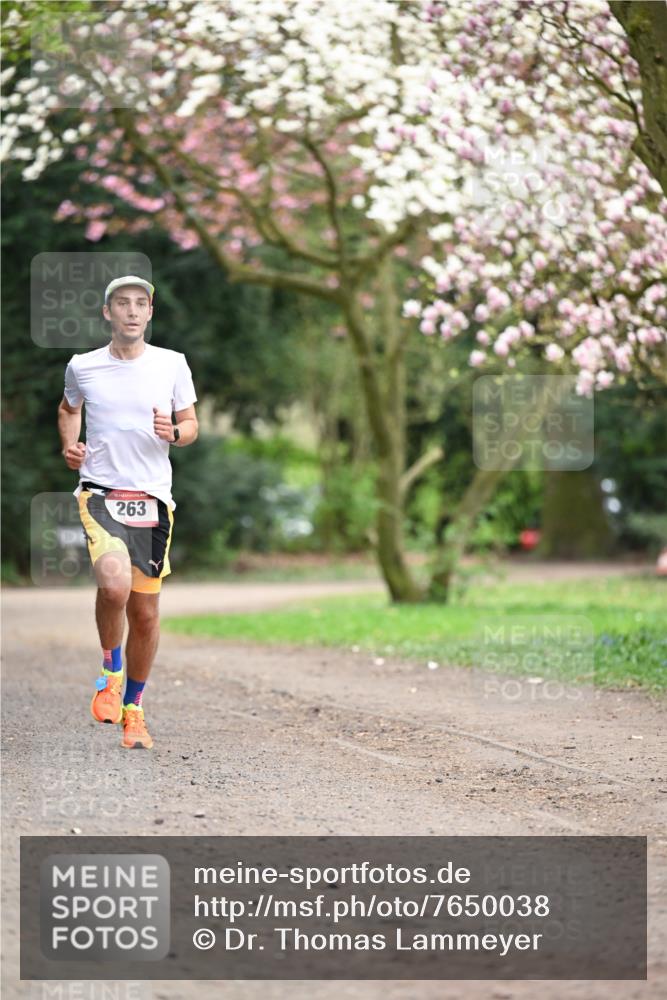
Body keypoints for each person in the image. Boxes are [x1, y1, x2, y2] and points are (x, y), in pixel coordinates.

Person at [57, 275, 198, 749]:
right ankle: (110, 671)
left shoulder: (172, 363)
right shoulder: (83, 366)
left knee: (145, 613)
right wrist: (70, 446)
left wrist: (174, 433)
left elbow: (191, 424)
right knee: (114, 585)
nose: (132, 311)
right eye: (122, 303)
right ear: (108, 312)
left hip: (153, 499)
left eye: (140, 303)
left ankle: (134, 710)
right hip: (100, 491)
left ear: (150, 313)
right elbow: (68, 409)